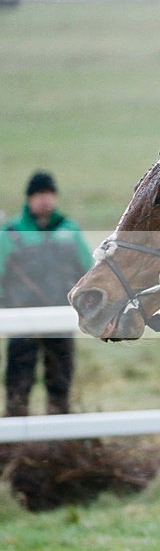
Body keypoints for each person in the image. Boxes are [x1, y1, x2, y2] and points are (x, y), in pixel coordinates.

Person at [0, 172, 94, 416]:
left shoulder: (69, 231)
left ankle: (59, 439)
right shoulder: (9, 233)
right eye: (39, 195)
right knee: (18, 379)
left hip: (61, 317)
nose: (44, 200)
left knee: (60, 379)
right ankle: (16, 440)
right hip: (22, 320)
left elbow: (88, 270)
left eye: (48, 194)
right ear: (29, 198)